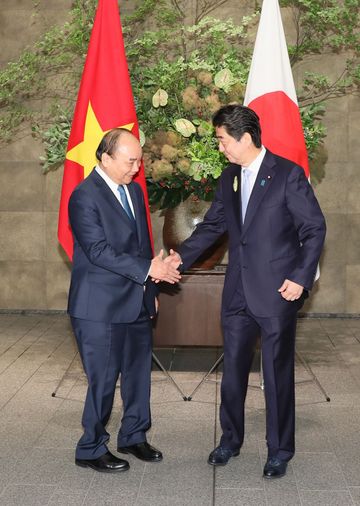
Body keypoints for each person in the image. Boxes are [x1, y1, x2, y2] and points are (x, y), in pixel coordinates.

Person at [169, 104, 326, 478]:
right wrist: (179, 257)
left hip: (276, 292)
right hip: (237, 290)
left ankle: (279, 449)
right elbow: (213, 227)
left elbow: (314, 228)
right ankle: (230, 440)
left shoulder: (287, 174)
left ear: (245, 136)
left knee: (276, 373)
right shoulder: (229, 177)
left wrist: (301, 277)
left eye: (222, 140)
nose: (220, 147)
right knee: (234, 370)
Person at [67, 128, 181, 473]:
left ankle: (133, 435)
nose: (137, 167)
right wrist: (151, 268)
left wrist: (152, 290)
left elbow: (142, 246)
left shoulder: (132, 191)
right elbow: (99, 251)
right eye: (130, 161)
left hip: (136, 300)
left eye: (139, 160)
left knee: (137, 375)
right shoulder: (84, 196)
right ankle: (90, 448)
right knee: (102, 380)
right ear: (106, 157)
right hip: (98, 307)